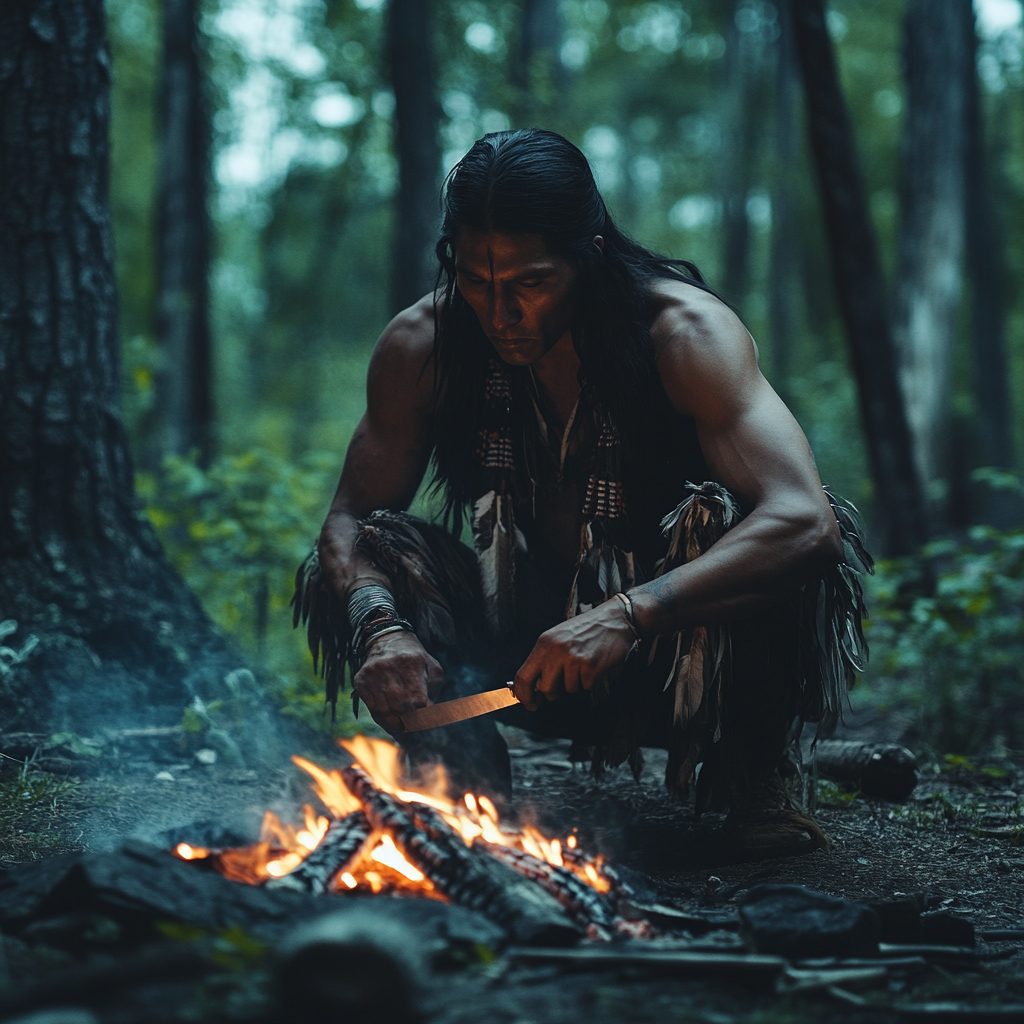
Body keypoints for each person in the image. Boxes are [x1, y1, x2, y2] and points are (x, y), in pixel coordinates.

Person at [296, 129, 872, 859]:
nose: (499, 312)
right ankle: (457, 775)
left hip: (666, 659)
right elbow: (345, 519)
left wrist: (628, 615)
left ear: (589, 255)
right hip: (513, 659)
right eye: (477, 281)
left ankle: (750, 772)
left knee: (743, 525)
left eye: (530, 284)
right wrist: (384, 629)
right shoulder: (424, 344)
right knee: (371, 549)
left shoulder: (685, 335)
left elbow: (806, 523)